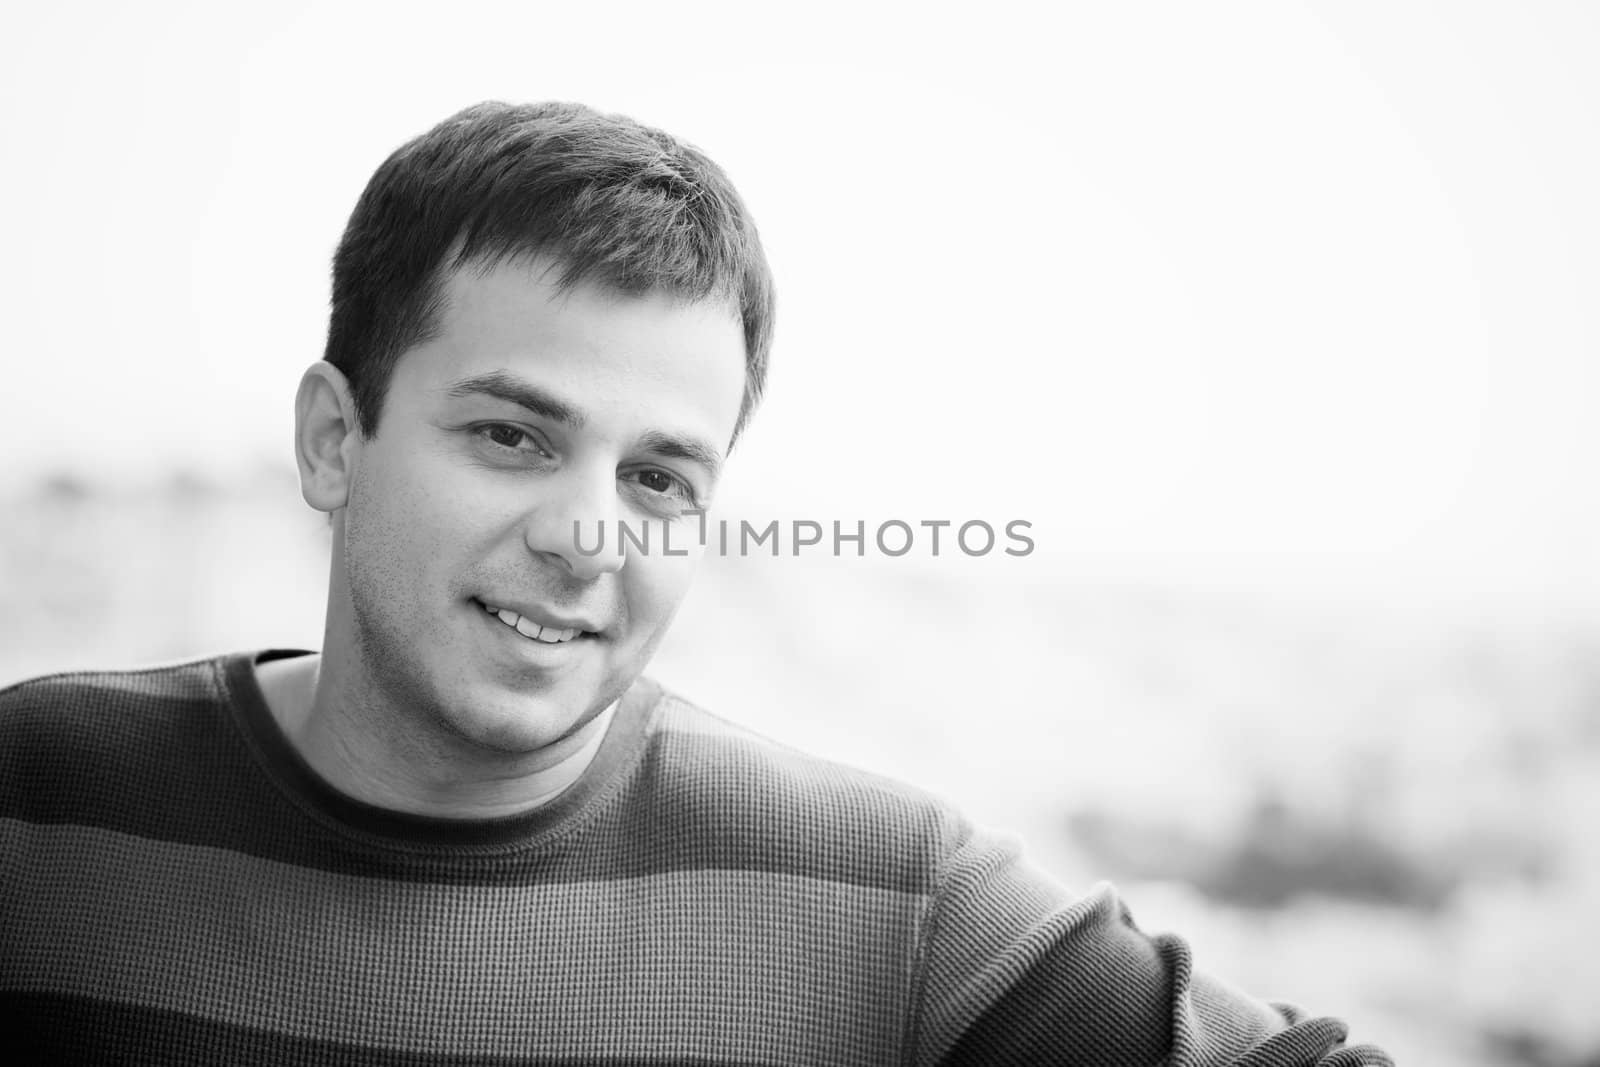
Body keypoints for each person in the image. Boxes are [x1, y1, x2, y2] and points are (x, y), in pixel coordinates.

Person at [0, 101, 1392, 1065]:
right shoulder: (33, 805)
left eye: (659, 477)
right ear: (331, 439)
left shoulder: (889, 910)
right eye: (511, 435)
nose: (586, 534)